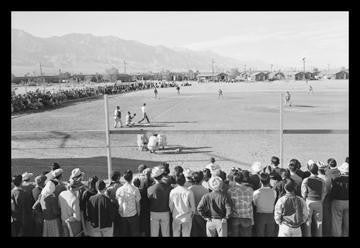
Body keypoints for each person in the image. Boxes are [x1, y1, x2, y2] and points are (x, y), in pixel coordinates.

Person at [301, 163, 326, 237]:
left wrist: (305, 199)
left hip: (309, 201)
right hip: (318, 201)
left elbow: (303, 193)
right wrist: (321, 200)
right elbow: (324, 192)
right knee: (319, 222)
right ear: (317, 170)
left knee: (308, 221)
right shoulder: (322, 180)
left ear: (309, 170)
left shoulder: (306, 180)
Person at [147, 166, 172, 237]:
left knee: (154, 233)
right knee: (166, 233)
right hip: (165, 212)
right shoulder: (169, 187)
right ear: (162, 176)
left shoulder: (150, 189)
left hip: (154, 212)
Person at [227, 172, 254, 237]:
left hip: (235, 217)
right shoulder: (250, 189)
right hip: (247, 217)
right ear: (242, 179)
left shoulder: (230, 190)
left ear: (234, 180)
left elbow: (229, 204)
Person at [116, 170, 141, 236]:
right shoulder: (135, 189)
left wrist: (120, 213)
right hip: (133, 215)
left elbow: (119, 203)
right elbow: (138, 204)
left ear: (124, 178)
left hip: (123, 215)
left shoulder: (119, 190)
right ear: (132, 178)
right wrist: (138, 213)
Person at [330, 162, 349, 237]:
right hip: (348, 202)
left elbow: (333, 193)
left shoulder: (337, 180)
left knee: (337, 222)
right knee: (347, 222)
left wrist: (330, 199)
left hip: (338, 202)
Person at [188, 171, 209, 237]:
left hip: (191, 216)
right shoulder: (206, 190)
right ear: (202, 179)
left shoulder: (189, 189)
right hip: (202, 216)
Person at [317, 161, 332, 236]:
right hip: (326, 200)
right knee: (325, 219)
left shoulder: (318, 178)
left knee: (318, 219)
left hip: (319, 200)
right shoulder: (328, 178)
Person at [105, 171, 122, 236]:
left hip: (111, 211)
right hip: (119, 210)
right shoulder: (121, 186)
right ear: (118, 178)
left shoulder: (108, 187)